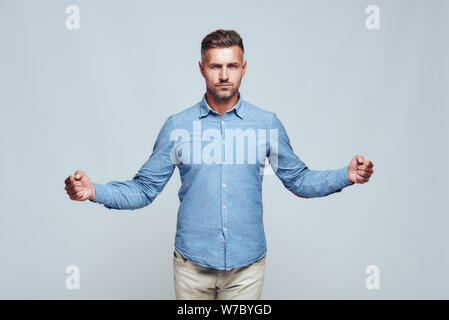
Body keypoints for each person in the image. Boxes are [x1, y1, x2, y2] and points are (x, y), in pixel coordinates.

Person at [64, 29, 374, 300]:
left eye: (231, 66)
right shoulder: (177, 126)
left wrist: (344, 176)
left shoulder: (266, 124)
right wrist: (96, 191)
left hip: (247, 268)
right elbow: (144, 188)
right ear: (202, 68)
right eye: (216, 66)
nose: (224, 74)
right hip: (191, 268)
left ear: (244, 68)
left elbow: (299, 180)